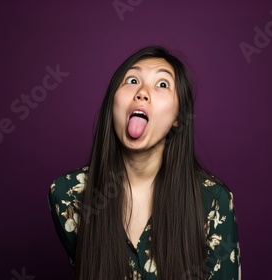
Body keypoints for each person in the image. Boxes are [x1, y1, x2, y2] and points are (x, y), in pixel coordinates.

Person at [48, 46, 241, 279]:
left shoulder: (214, 201)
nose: (142, 92)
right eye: (131, 80)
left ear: (178, 118)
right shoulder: (68, 195)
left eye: (162, 84)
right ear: (112, 104)